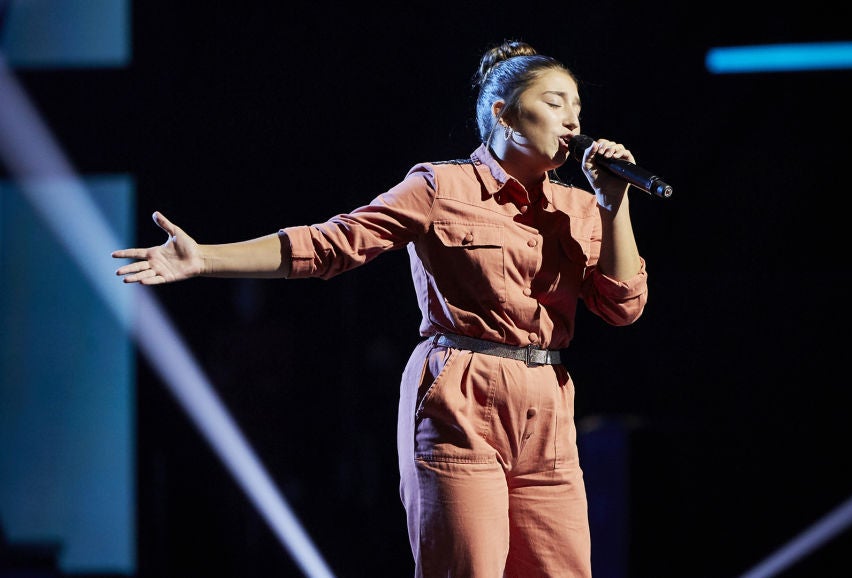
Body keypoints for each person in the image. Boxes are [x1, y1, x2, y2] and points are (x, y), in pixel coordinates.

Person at [113, 39, 649, 577]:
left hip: (548, 408)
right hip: (463, 398)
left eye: (577, 106)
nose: (572, 120)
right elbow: (332, 244)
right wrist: (204, 258)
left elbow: (623, 306)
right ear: (503, 114)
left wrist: (612, 205)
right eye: (555, 103)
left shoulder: (581, 208)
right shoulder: (441, 187)